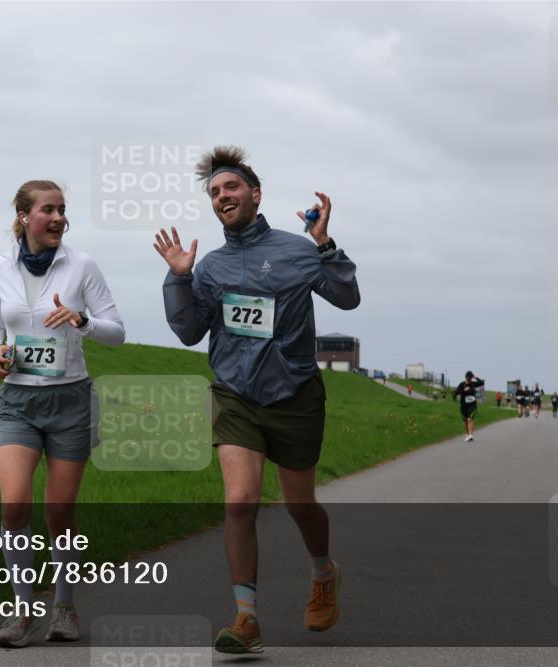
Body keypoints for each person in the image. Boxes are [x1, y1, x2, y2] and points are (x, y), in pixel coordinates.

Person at [154, 146, 360, 654]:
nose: (223, 196)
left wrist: (325, 243)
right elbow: (187, 330)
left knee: (299, 504)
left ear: (255, 193)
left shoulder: (298, 250)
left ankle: (322, 573)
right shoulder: (211, 266)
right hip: (235, 395)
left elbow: (347, 298)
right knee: (240, 501)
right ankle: (246, 618)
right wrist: (180, 276)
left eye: (232, 187)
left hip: (294, 394)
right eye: (215, 192)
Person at [0, 180, 125, 647]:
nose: (60, 217)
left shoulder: (81, 265)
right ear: (24, 216)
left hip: (70, 401)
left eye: (64, 209)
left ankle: (64, 606)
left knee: (59, 511)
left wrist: (82, 321)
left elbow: (117, 332)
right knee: (14, 504)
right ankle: (23, 613)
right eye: (49, 209)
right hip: (18, 402)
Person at [453, 371, 485, 442]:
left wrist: (475, 377)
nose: (469, 380)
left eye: (470, 378)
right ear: (465, 378)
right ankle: (467, 434)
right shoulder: (462, 384)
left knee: (470, 419)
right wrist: (463, 390)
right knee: (465, 421)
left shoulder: (473, 384)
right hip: (463, 405)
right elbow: (456, 392)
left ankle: (470, 435)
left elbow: (481, 383)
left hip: (472, 404)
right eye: (467, 378)